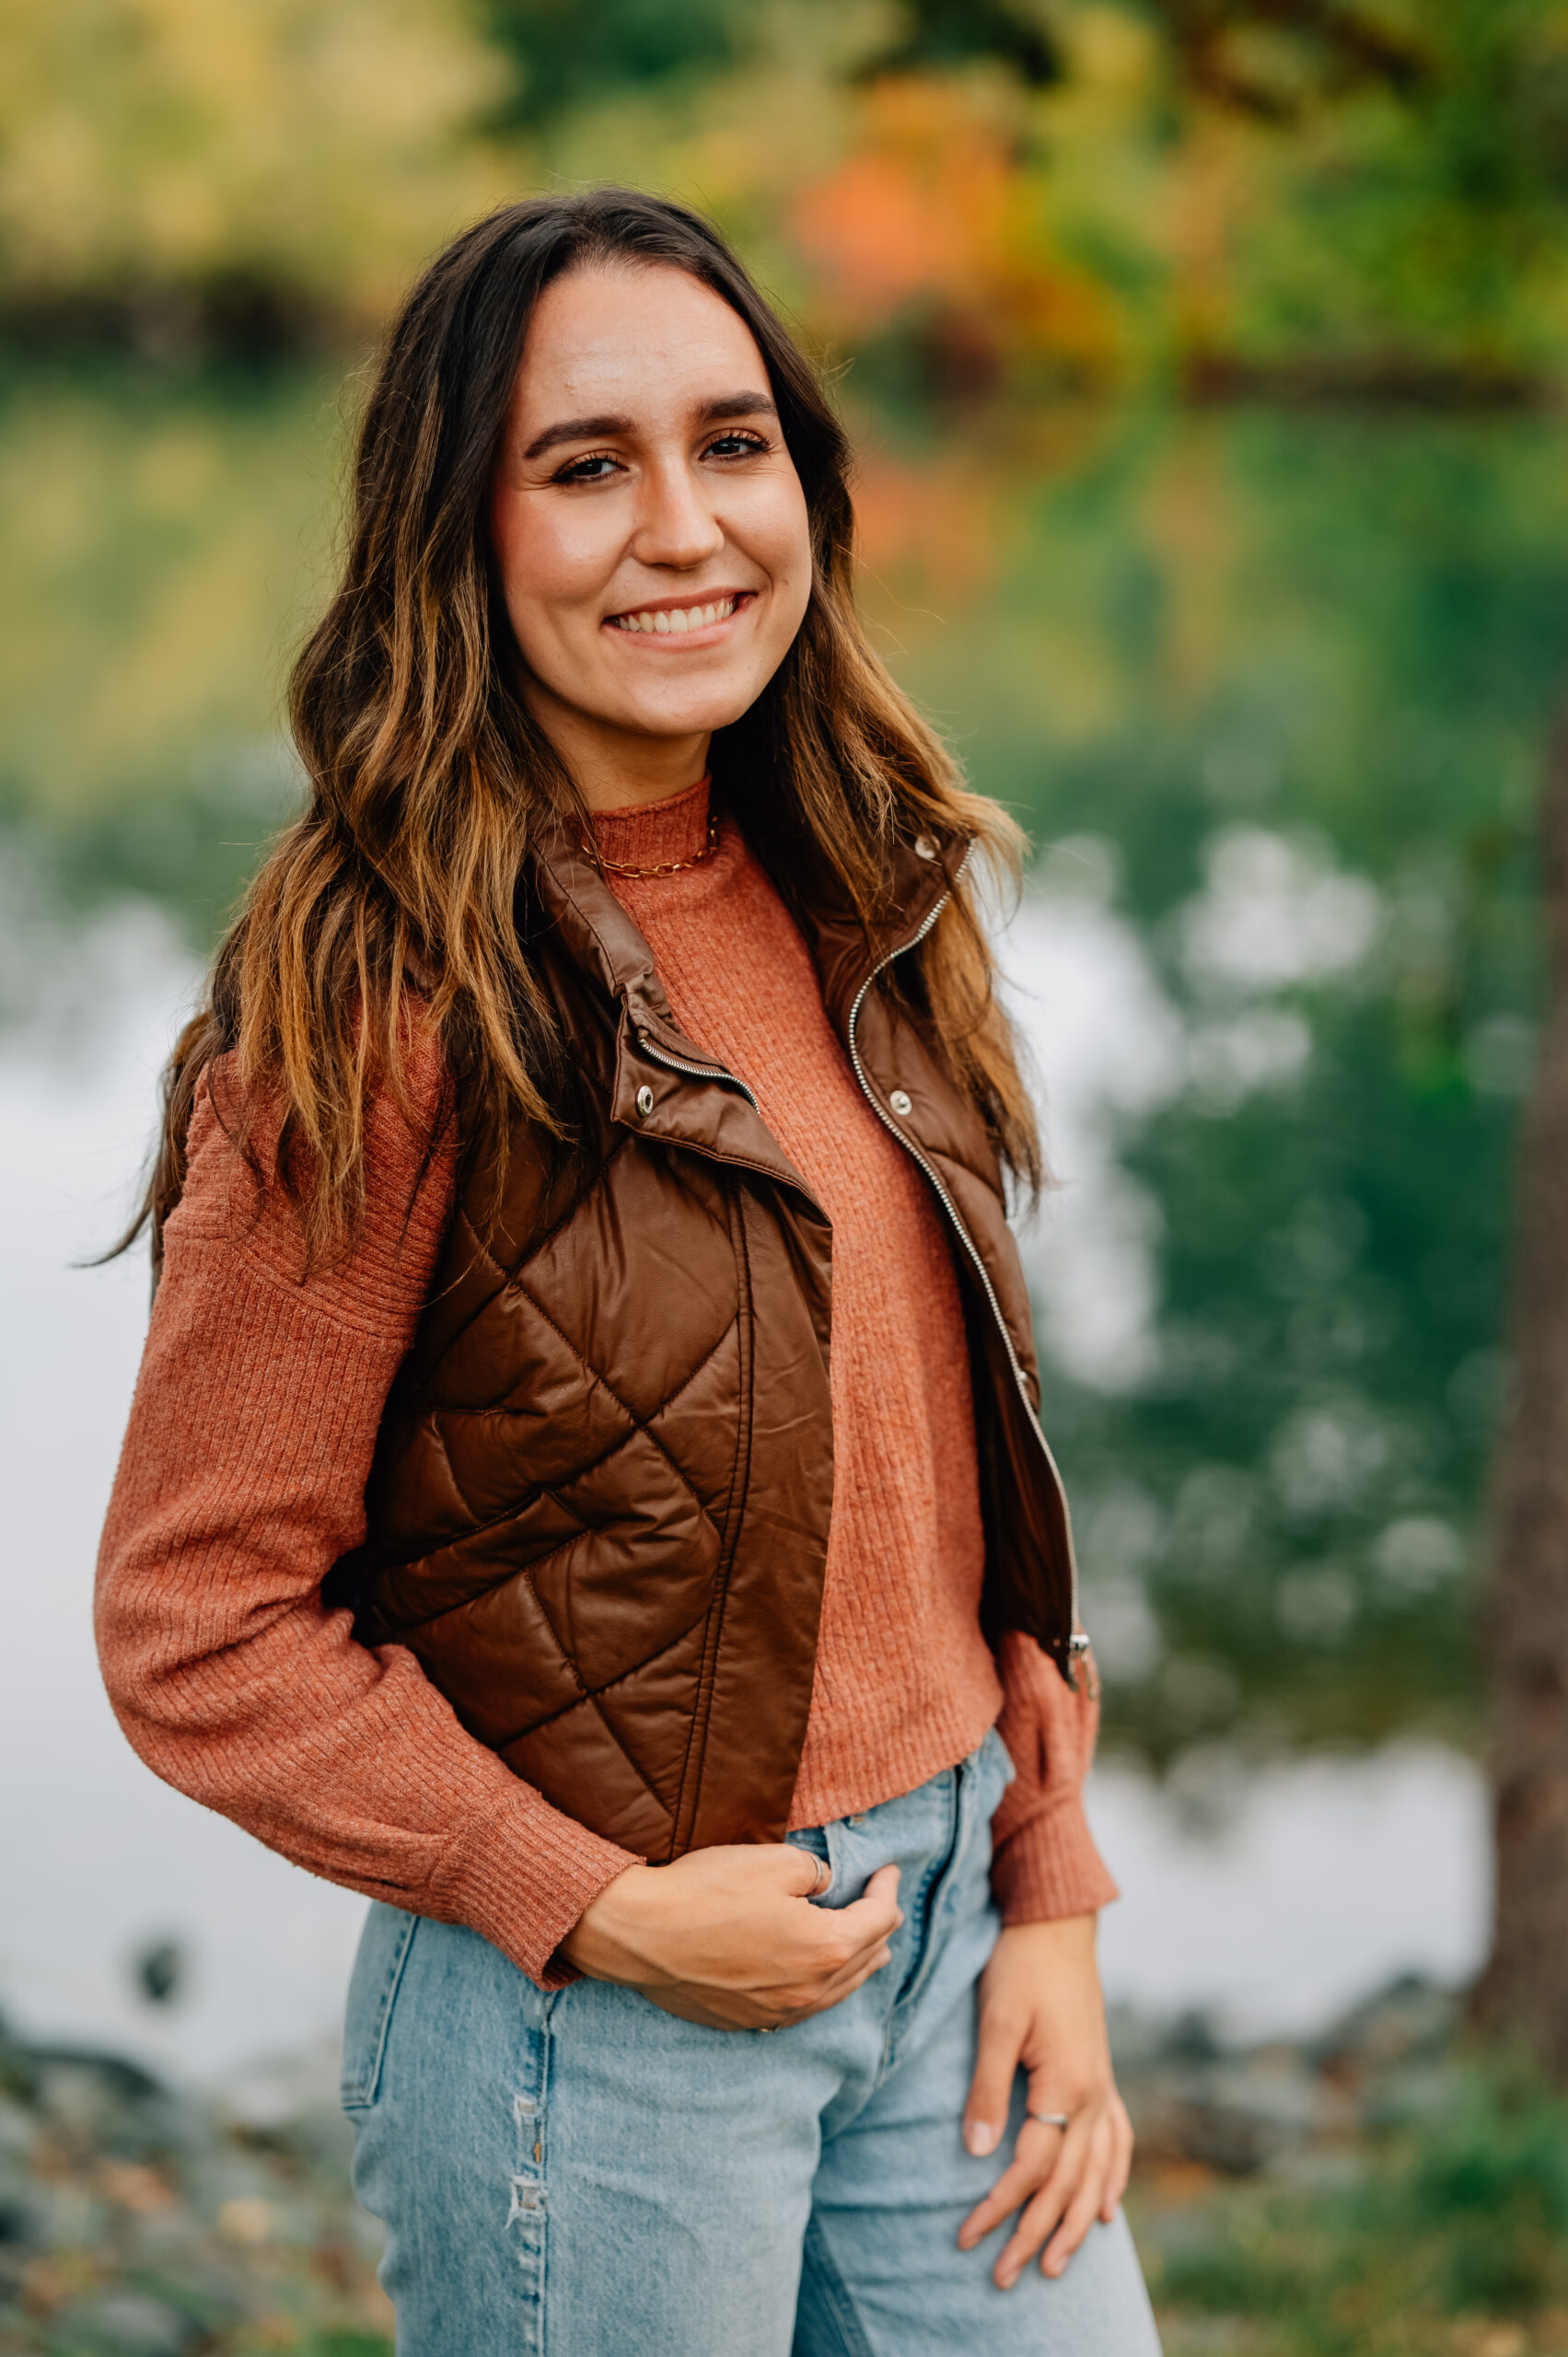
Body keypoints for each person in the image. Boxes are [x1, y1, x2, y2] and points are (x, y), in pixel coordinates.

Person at [95, 187, 1161, 2356]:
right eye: (587, 468)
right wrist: (595, 1905)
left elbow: (966, 1464)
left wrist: (1041, 1879)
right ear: (460, 537)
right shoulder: (385, 999)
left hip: (947, 1940)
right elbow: (195, 1618)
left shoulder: (873, 887)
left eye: (733, 441)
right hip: (598, 2027)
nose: (685, 527)